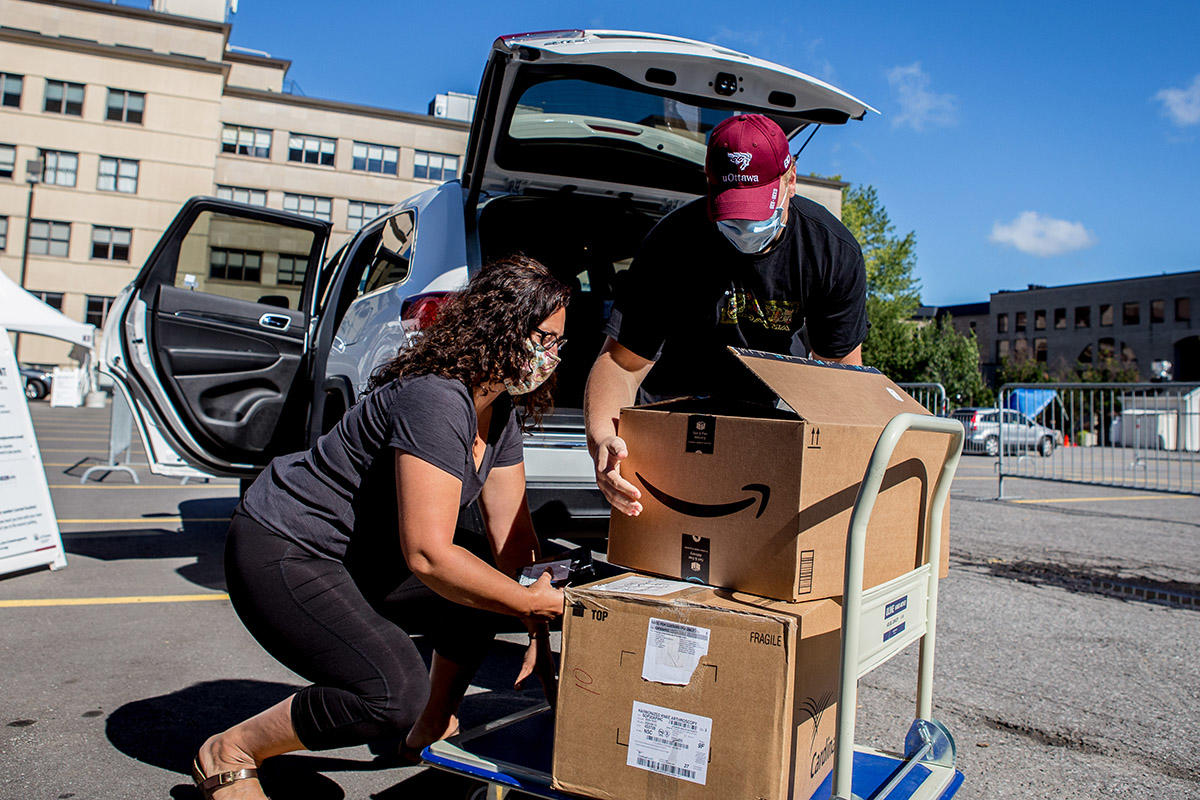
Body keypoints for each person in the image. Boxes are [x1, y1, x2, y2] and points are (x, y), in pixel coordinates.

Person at [191, 256, 570, 799]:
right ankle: (231, 751)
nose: (552, 356)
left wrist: (534, 615)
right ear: (499, 327)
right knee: (391, 694)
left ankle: (429, 730)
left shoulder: (499, 412)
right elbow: (428, 556)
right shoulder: (436, 397)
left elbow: (513, 543)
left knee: (484, 586)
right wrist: (527, 604)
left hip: (355, 558)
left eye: (559, 343)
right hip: (286, 547)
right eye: (545, 338)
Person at [584, 114, 868, 517]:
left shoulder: (829, 251)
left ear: (790, 178)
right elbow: (621, 363)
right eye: (732, 214)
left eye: (756, 211)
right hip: (672, 413)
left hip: (763, 419)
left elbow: (839, 379)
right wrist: (602, 439)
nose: (745, 227)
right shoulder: (672, 242)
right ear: (709, 180)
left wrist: (835, 474)